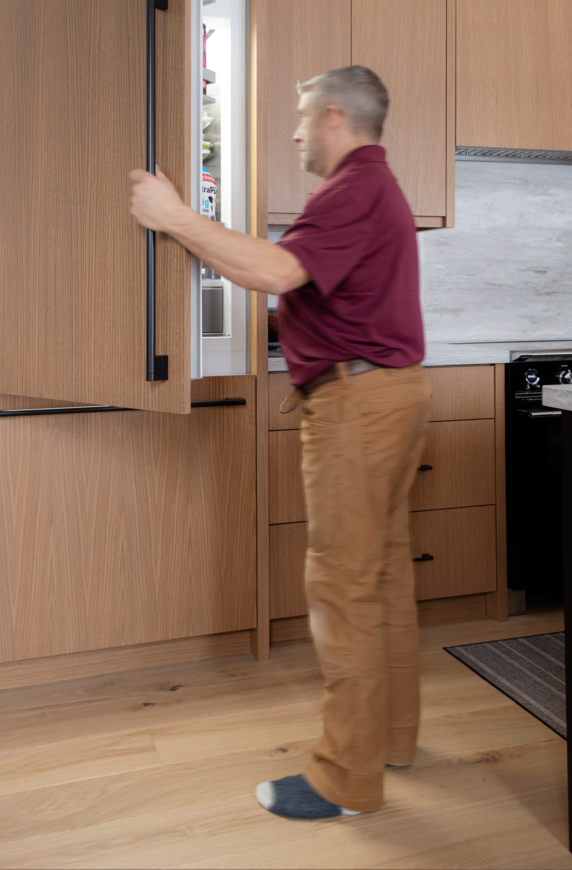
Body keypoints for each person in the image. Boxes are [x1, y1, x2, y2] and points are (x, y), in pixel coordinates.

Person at [130, 65, 431, 820]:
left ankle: (344, 779)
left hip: (356, 405)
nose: (294, 133)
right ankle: (390, 739)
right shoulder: (372, 188)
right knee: (380, 577)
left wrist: (171, 216)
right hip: (387, 394)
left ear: (334, 116)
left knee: (344, 587)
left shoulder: (351, 188)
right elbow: (285, 281)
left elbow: (272, 269)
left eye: (300, 118)